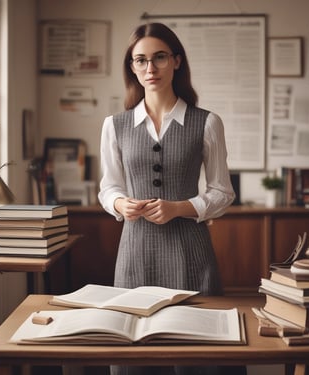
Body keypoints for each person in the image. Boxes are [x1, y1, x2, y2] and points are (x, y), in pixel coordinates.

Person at [98, 22, 244, 375]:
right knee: (136, 358)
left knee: (198, 357)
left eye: (160, 57)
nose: (151, 68)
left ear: (176, 61)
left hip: (191, 253)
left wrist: (180, 207)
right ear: (132, 67)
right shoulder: (114, 125)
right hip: (136, 253)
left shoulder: (207, 123)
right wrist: (121, 204)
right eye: (141, 60)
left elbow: (223, 192)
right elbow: (108, 187)